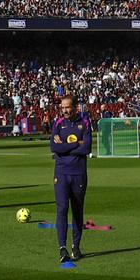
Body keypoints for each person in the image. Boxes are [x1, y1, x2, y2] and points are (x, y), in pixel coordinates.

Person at [49, 95, 92, 265]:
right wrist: (75, 144)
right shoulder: (58, 123)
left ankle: (76, 246)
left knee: (77, 210)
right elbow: (54, 147)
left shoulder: (85, 122)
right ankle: (62, 248)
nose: (65, 111)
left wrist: (64, 147)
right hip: (61, 172)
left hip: (78, 173)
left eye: (67, 107)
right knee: (62, 209)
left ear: (75, 107)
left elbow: (87, 148)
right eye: (62, 108)